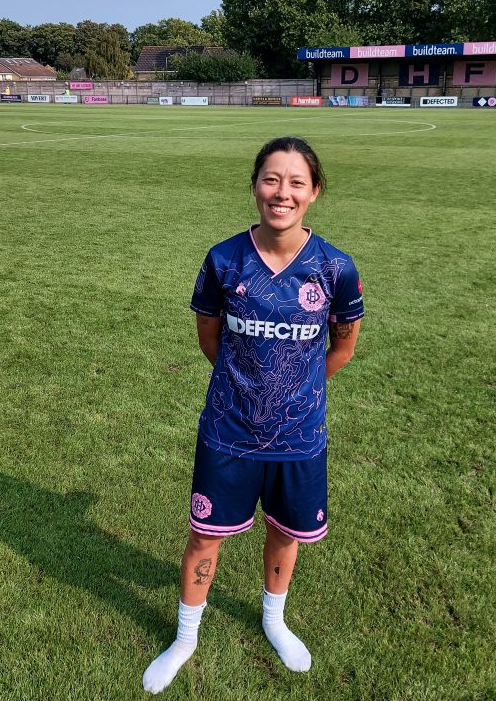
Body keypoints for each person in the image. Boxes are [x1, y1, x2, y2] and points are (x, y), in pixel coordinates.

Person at [143, 137, 364, 694]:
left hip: (299, 437)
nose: (281, 192)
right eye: (270, 179)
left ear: (314, 192)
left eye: (295, 182)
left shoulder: (336, 267)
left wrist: (293, 393)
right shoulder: (224, 259)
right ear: (254, 185)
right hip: (228, 431)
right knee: (204, 537)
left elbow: (342, 347)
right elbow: (209, 338)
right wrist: (248, 392)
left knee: (284, 533)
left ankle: (274, 619)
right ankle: (186, 637)